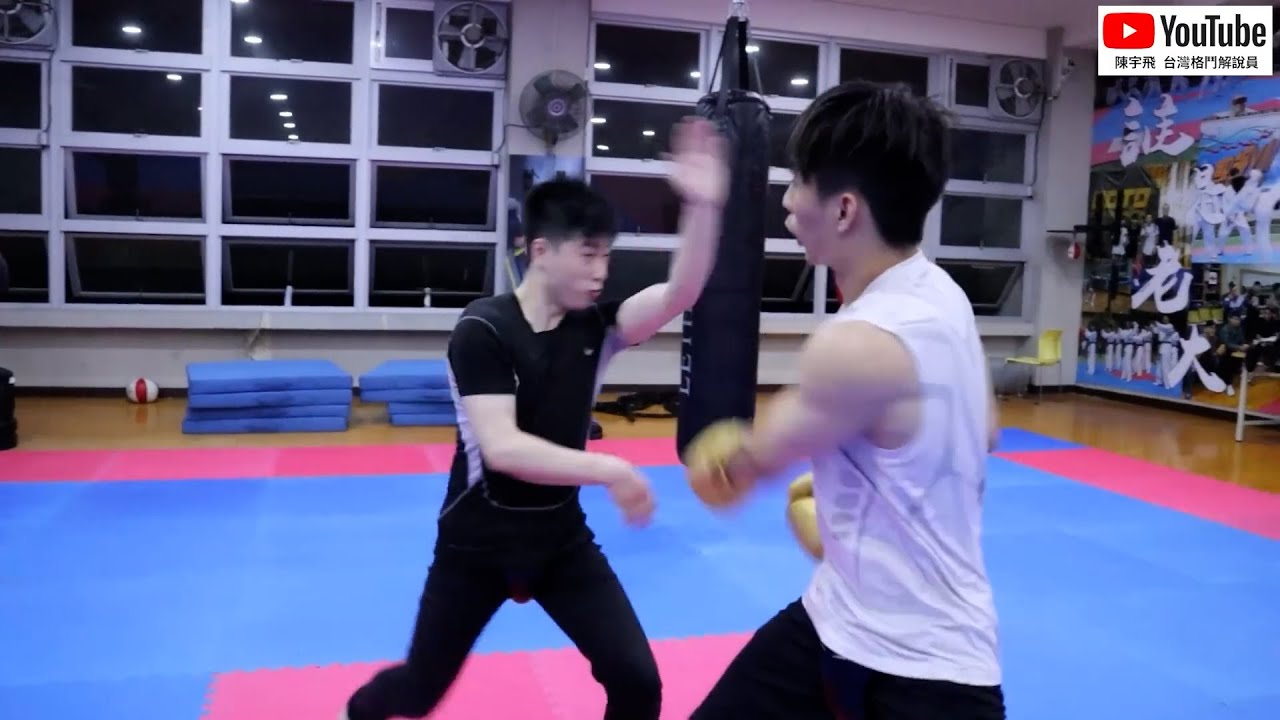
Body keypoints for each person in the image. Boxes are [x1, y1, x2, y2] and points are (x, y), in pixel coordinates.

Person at [341, 117, 729, 720]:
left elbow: (681, 293)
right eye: (588, 254)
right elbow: (503, 448)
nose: (601, 271)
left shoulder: (597, 329)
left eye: (607, 255)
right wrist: (612, 470)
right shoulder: (483, 329)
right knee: (417, 694)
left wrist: (703, 207)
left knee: (637, 680)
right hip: (476, 543)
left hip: (560, 541)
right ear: (540, 251)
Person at [687, 81, 1006, 719]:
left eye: (798, 182)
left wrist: (718, 457)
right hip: (834, 622)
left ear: (843, 211)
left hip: (927, 674)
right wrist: (862, 503)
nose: (786, 200)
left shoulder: (854, 344)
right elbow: (986, 431)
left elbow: (728, 476)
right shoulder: (941, 293)